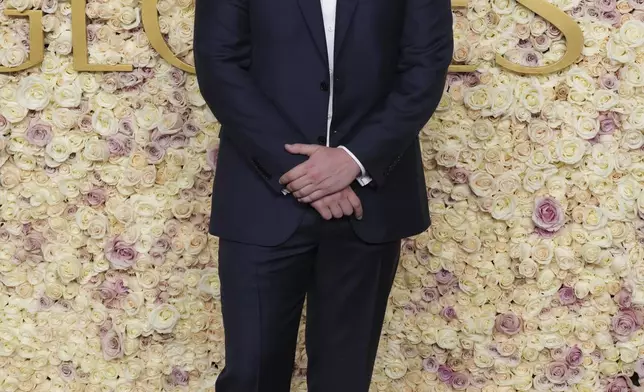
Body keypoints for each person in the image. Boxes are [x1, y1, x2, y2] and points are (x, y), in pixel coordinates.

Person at [193, 0, 453, 390]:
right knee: (251, 376)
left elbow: (425, 66)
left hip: (368, 203)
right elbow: (219, 63)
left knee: (344, 380)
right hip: (261, 199)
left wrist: (354, 160)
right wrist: (303, 173)